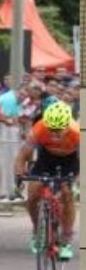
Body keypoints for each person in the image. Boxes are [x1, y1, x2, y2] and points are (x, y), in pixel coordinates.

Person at [14, 101, 78, 259]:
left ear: (67, 125)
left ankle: (65, 240)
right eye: (52, 129)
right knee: (32, 195)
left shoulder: (77, 132)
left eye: (59, 130)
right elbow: (23, 155)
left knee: (67, 194)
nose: (55, 134)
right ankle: (38, 229)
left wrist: (76, 180)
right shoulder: (39, 128)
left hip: (69, 161)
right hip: (46, 159)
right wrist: (20, 173)